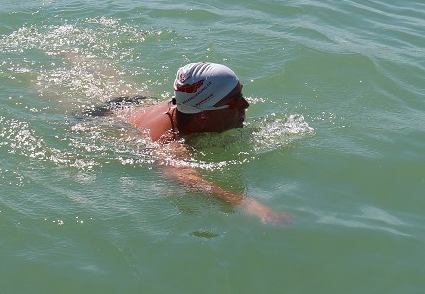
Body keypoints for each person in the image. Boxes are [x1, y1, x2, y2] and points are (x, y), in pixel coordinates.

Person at [85, 62, 290, 225]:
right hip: (99, 119)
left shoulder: (190, 103)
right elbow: (184, 178)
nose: (246, 104)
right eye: (236, 101)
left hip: (137, 104)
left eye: (241, 94)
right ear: (202, 116)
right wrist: (252, 207)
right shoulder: (171, 142)